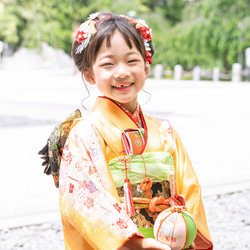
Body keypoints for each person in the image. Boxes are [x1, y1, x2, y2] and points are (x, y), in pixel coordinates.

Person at [39, 12, 213, 250]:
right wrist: (136, 243)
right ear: (89, 74)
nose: (121, 72)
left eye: (132, 61)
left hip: (169, 242)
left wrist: (187, 232)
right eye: (108, 64)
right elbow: (85, 202)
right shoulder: (87, 133)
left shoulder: (165, 131)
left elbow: (190, 189)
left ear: (146, 66)